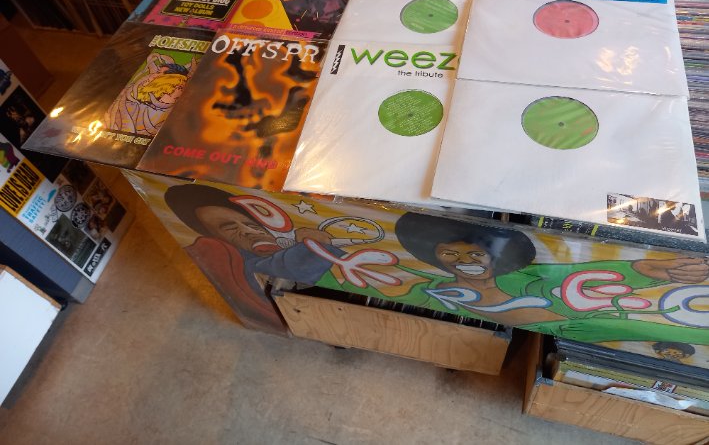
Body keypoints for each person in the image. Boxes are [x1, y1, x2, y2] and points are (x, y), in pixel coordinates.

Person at [391, 212, 709, 344]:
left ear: (492, 256)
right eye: (450, 254)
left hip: (588, 324)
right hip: (586, 325)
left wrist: (652, 267)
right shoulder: (431, 288)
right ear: (436, 258)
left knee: (683, 334)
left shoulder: (524, 277)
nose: (464, 261)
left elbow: (578, 273)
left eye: (475, 255)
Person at [164, 183, 344, 334]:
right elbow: (283, 271)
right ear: (216, 238)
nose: (248, 231)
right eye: (230, 228)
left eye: (251, 224)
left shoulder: (283, 244)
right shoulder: (235, 260)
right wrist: (314, 247)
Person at [104, 52, 195, 136]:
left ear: (170, 79)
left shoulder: (171, 95)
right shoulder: (134, 94)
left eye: (158, 73)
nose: (153, 75)